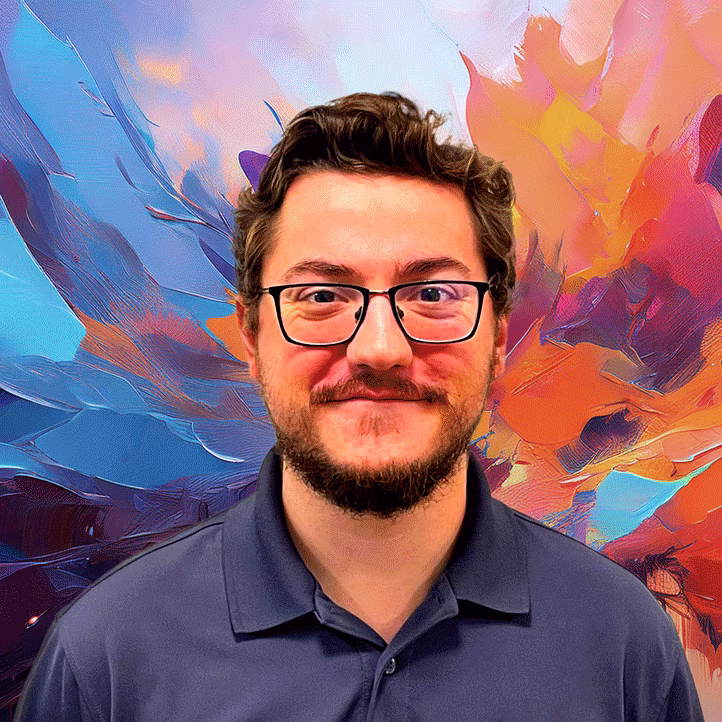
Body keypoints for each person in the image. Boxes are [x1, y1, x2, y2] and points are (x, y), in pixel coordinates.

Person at [15, 92, 703, 721]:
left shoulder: (622, 644)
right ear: (251, 336)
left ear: (498, 338)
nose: (380, 349)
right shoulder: (106, 657)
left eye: (432, 295)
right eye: (322, 296)